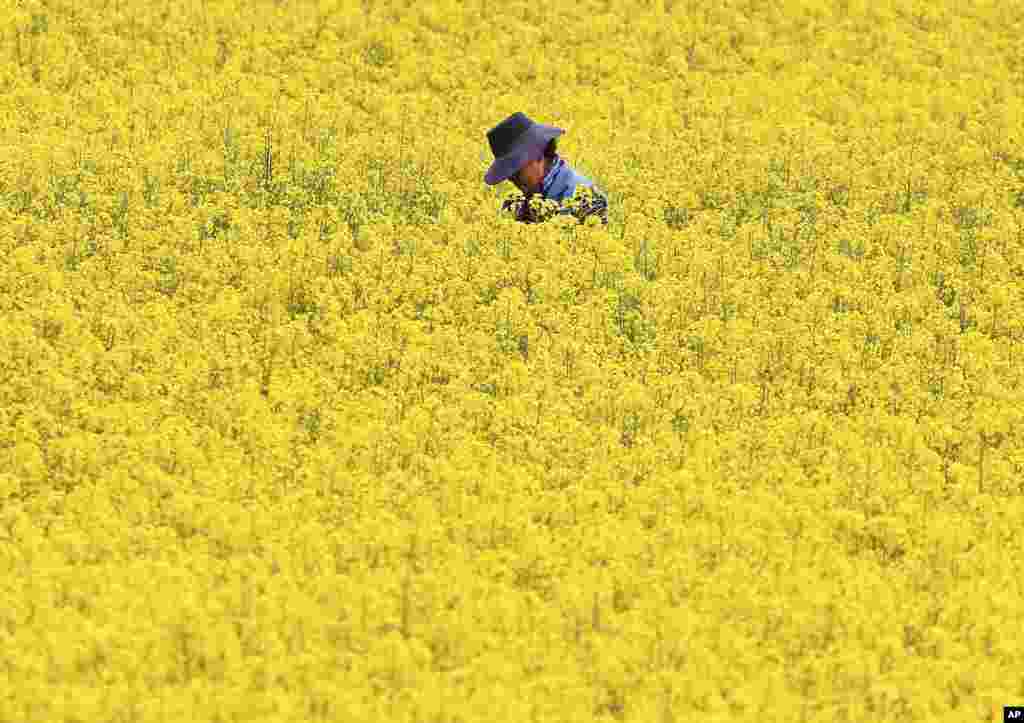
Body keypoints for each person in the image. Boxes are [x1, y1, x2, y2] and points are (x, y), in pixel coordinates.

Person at [484, 112, 608, 225]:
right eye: (507, 173)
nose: (511, 178)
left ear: (537, 155)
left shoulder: (587, 199)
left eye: (515, 169)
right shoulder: (518, 204)